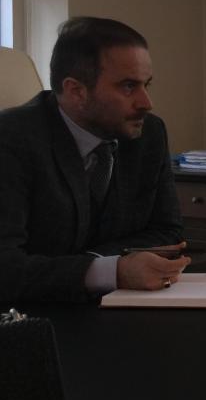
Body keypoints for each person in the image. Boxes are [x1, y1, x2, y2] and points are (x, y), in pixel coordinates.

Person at [0, 17, 189, 304]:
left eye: (146, 85)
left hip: (117, 308)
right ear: (76, 91)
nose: (146, 103)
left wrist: (98, 264)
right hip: (32, 316)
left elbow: (167, 231)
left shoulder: (149, 133)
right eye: (128, 87)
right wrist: (112, 271)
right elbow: (5, 268)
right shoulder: (11, 139)